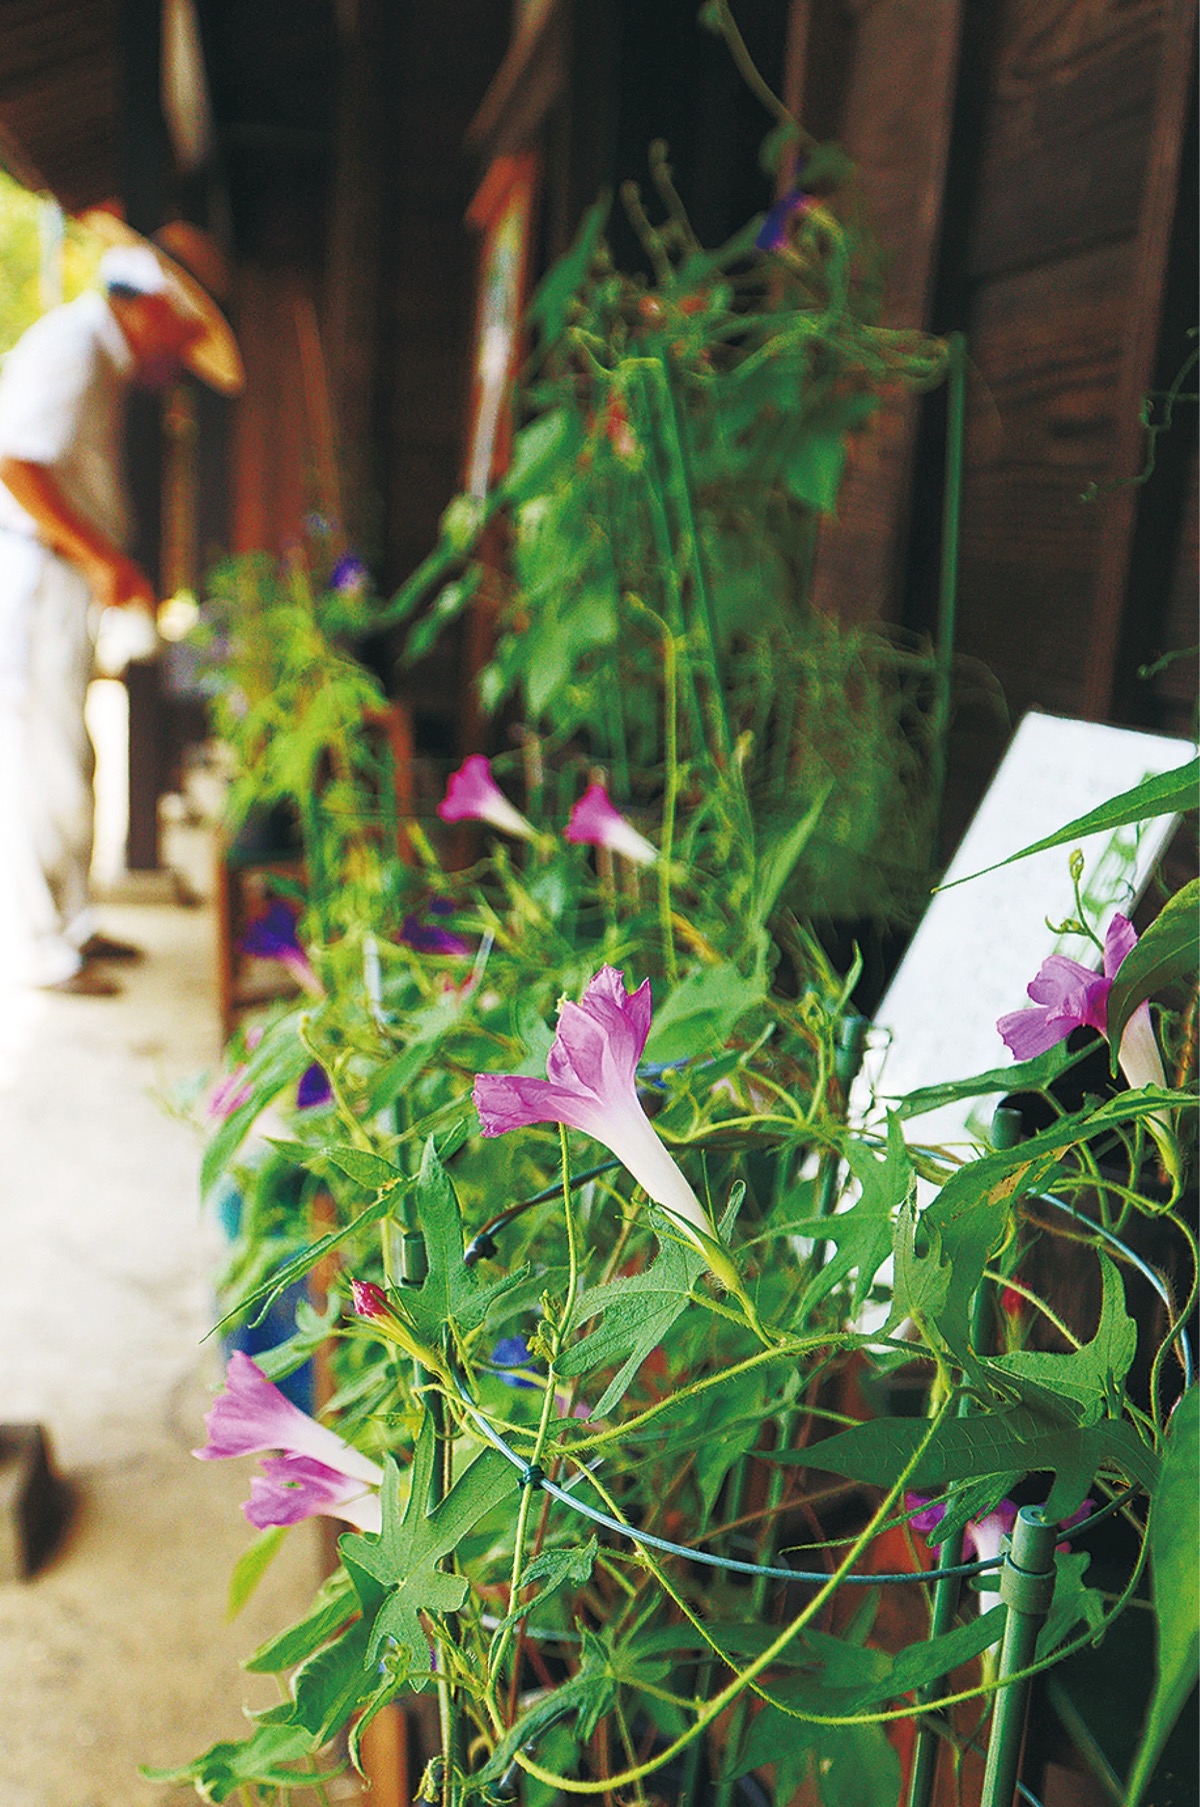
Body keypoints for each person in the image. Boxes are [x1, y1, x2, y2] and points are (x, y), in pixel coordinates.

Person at [0, 214, 243, 994]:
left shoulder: (96, 359)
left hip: (63, 578)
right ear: (156, 306)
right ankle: (46, 947)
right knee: (49, 762)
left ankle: (71, 926)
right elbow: (15, 462)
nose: (178, 353)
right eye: (182, 333)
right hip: (41, 578)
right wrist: (101, 557)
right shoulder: (72, 351)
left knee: (74, 756)